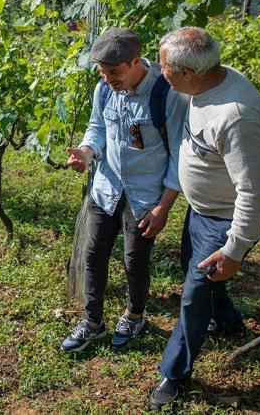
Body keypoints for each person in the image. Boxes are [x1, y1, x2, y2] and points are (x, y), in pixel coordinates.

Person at [150, 27, 260, 409]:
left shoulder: (236, 117)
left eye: (164, 66)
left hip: (224, 220)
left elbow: (253, 192)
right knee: (196, 271)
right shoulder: (204, 84)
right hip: (200, 210)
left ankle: (174, 375)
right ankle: (230, 321)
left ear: (187, 73)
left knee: (193, 297)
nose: (159, 69)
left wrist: (233, 250)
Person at [61, 28, 186, 352]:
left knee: (135, 261)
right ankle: (92, 322)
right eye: (102, 72)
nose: (107, 79)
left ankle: (134, 313)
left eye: (114, 72)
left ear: (135, 62)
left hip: (144, 196)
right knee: (93, 254)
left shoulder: (167, 95)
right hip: (106, 187)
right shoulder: (104, 90)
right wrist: (87, 153)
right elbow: (97, 127)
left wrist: (164, 207)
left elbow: (179, 155)